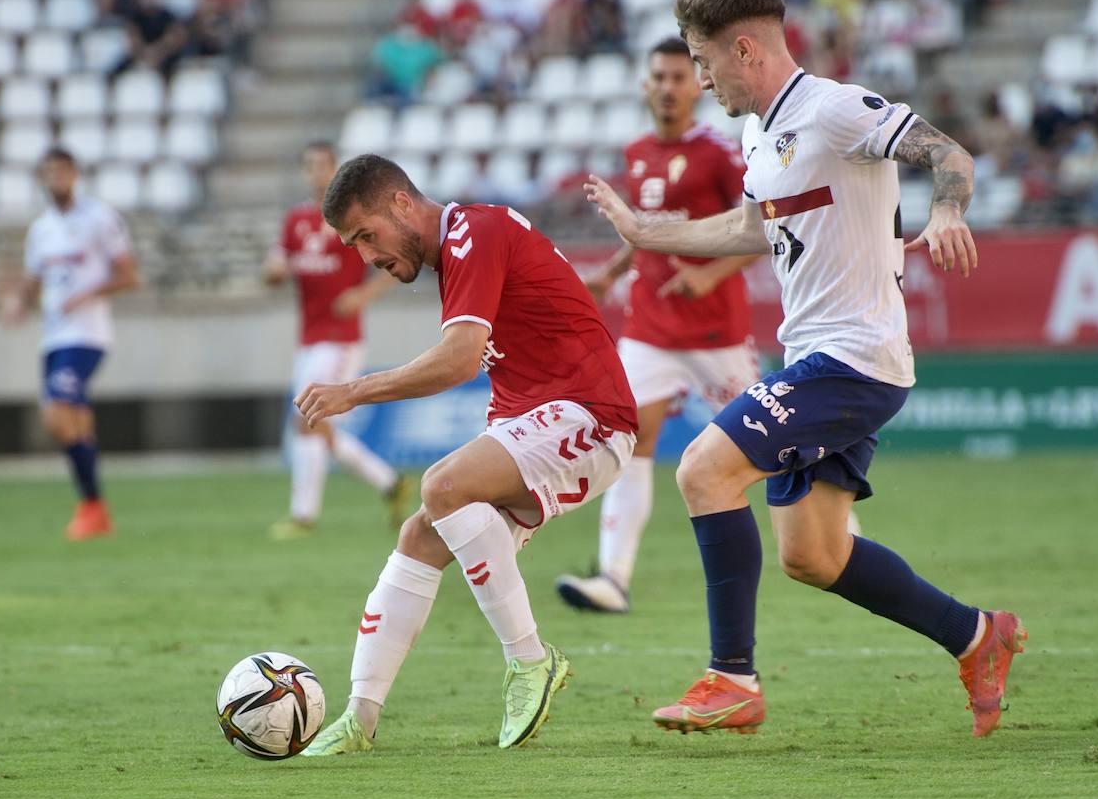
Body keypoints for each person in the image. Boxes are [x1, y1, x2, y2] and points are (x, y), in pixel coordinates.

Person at [584, 0, 1025, 738]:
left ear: (744, 48)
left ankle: (732, 679)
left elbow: (950, 153)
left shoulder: (834, 109)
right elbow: (751, 228)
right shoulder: (760, 131)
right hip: (818, 359)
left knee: (701, 470)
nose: (701, 76)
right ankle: (979, 636)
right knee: (813, 555)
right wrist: (646, 233)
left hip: (854, 359)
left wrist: (948, 212)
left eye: (704, 59)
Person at [296, 155, 638, 754]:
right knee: (419, 536)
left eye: (366, 235)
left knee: (442, 486)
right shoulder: (457, 253)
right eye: (352, 245)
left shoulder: (471, 231)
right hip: (537, 418)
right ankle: (359, 718)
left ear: (402, 203)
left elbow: (458, 360)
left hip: (590, 415)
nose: (366, 257)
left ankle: (531, 662)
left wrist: (355, 389)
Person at [555, 37, 763, 613]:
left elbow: (765, 227)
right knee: (629, 441)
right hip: (648, 329)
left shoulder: (719, 153)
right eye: (659, 78)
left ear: (696, 85)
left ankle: (838, 526)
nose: (668, 87)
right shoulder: (638, 150)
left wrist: (710, 276)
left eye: (678, 76)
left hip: (716, 332)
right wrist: (612, 272)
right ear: (646, 86)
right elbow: (645, 229)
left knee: (772, 438)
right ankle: (613, 579)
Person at [264, 142, 409, 540]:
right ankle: (389, 483)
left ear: (335, 170)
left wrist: (363, 295)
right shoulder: (295, 221)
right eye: (309, 166)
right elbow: (275, 265)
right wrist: (273, 271)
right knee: (318, 426)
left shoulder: (351, 217)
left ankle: (303, 516)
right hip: (309, 336)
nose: (316, 173)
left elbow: (396, 258)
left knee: (307, 419)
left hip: (341, 337)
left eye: (323, 166)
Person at [1, 148, 140, 540]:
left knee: (56, 413)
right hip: (54, 336)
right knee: (74, 422)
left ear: (75, 174)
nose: (56, 179)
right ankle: (95, 511)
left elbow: (129, 274)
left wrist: (87, 294)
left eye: (62, 171)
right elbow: (34, 278)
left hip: (88, 334)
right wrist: (17, 301)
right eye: (49, 173)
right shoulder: (42, 229)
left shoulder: (99, 218)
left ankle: (92, 504)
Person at [109, 0, 189, 80]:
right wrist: (146, 54)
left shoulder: (167, 15)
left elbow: (175, 37)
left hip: (163, 55)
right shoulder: (134, 16)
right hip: (141, 54)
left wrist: (158, 51)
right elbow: (133, 38)